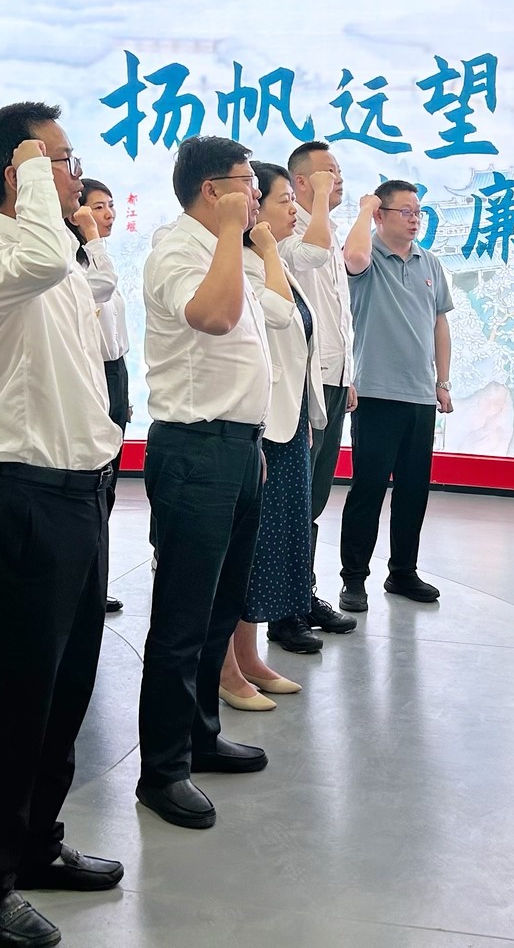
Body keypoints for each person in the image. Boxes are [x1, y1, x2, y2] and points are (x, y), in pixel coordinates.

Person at [0, 102, 125, 948]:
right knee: (19, 707)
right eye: (60, 158)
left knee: (66, 694)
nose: (74, 172)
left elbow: (90, 285)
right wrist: (27, 162)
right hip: (27, 499)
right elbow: (46, 251)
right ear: (17, 173)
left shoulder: (54, 262)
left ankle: (36, 845)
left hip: (83, 497)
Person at [135, 136, 281, 831]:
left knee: (221, 611)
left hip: (237, 448)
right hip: (195, 450)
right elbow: (214, 319)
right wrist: (230, 232)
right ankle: (162, 772)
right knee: (182, 621)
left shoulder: (225, 250)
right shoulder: (177, 249)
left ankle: (200, 737)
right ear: (210, 189)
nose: (255, 195)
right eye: (245, 183)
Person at [220, 163, 322, 711]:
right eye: (282, 199)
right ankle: (226, 668)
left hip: (289, 423)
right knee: (247, 550)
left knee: (271, 549)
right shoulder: (246, 264)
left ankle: (250, 656)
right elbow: (280, 319)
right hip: (258, 426)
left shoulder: (271, 260)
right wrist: (266, 250)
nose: (291, 209)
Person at [337, 180, 454, 612]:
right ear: (380, 215)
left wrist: (443, 382)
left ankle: (403, 571)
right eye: (404, 211)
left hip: (420, 395)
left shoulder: (429, 262)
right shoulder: (366, 256)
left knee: (413, 490)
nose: (414, 219)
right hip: (375, 392)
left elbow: (439, 322)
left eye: (417, 212)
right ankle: (354, 578)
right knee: (368, 489)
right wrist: (363, 210)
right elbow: (352, 259)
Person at [275, 141, 358, 645]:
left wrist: (349, 375)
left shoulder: (323, 227)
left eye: (340, 171)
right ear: (301, 182)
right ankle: (286, 608)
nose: (338, 179)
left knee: (315, 496)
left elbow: (336, 313)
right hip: (306, 382)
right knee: (295, 496)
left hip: (334, 379)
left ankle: (302, 594)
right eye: (328, 172)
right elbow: (313, 259)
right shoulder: (294, 232)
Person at [76, 178, 128, 613]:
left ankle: (96, 581)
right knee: (93, 484)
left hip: (115, 372)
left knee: (108, 487)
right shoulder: (76, 265)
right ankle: (83, 584)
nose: (107, 214)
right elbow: (102, 287)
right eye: (97, 207)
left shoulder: (101, 257)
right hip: (90, 373)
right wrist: (92, 239)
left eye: (110, 205)